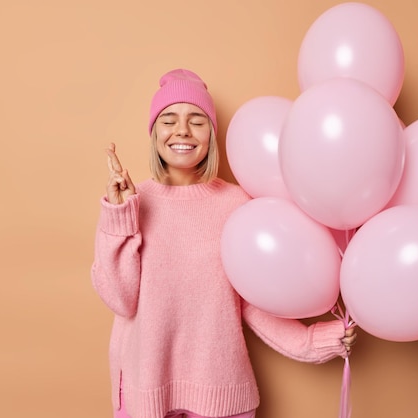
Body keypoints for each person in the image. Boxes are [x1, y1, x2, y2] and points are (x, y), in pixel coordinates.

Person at [91, 68, 357, 418]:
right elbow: (121, 300)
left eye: (197, 120)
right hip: (146, 396)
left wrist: (314, 342)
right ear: (155, 133)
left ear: (212, 134)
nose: (182, 130)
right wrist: (119, 214)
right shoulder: (132, 202)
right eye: (169, 119)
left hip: (222, 397)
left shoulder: (237, 205)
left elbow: (253, 303)